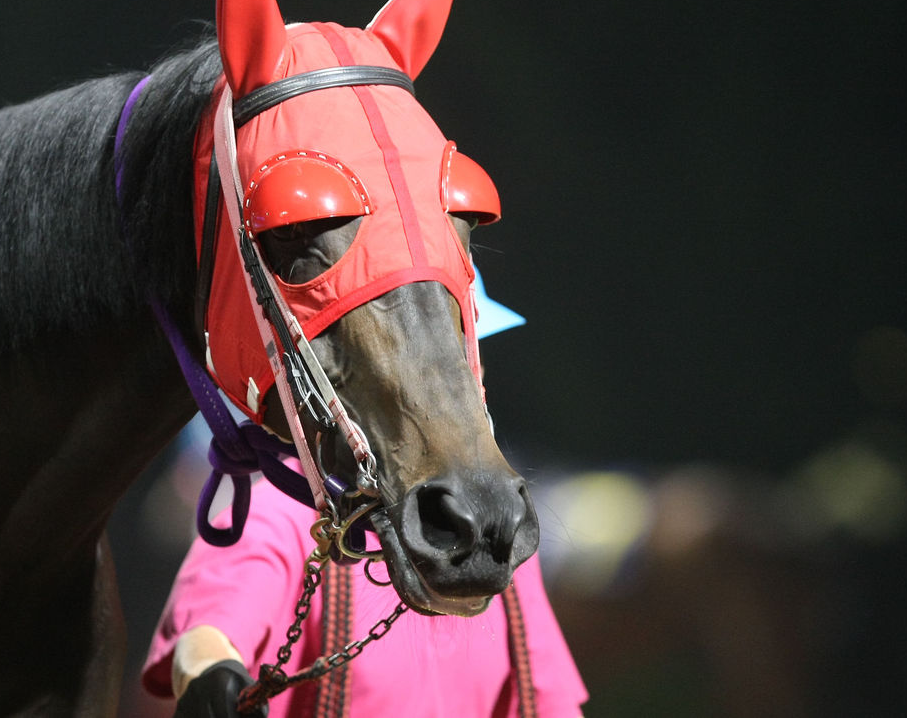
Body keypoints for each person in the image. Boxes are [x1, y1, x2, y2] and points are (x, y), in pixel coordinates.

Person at [142, 270, 588, 717]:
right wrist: (211, 672)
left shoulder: (495, 531)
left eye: (460, 357)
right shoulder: (284, 517)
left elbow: (547, 701)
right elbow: (209, 640)